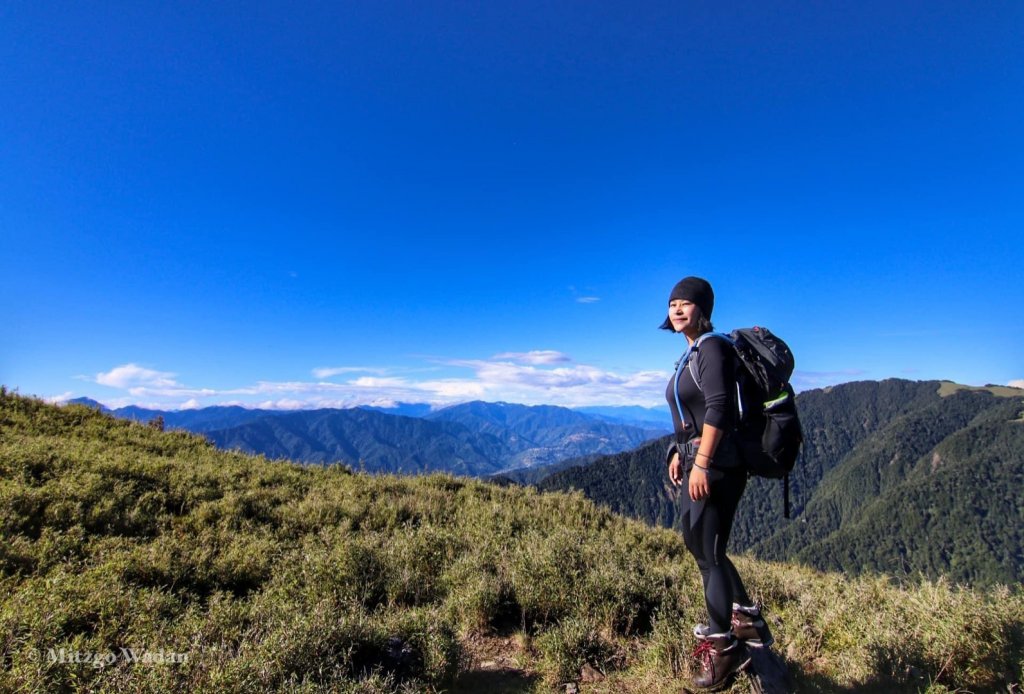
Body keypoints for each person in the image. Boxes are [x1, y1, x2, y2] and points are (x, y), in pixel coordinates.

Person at [660, 276, 773, 691]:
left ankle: (723, 649)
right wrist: (678, 451)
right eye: (672, 303)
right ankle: (746, 618)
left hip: (717, 465)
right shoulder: (692, 353)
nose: (676, 309)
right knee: (704, 546)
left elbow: (721, 407)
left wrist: (702, 462)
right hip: (699, 459)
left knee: (706, 551)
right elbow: (695, 412)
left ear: (703, 310)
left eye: (685, 303)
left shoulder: (711, 347)